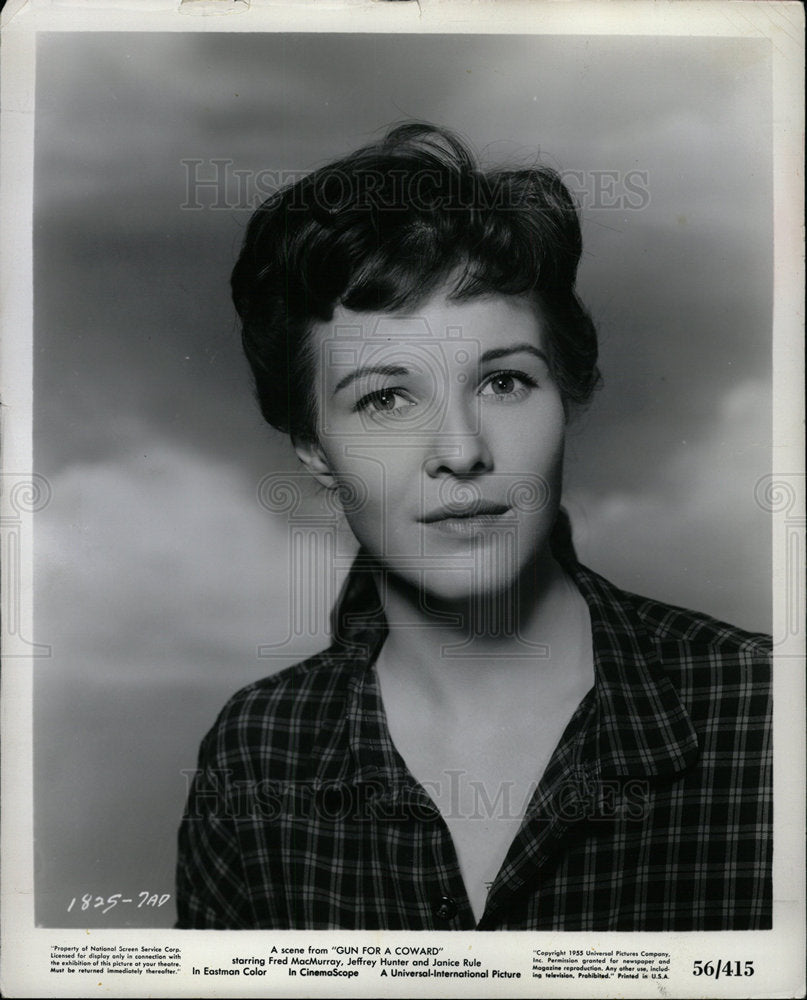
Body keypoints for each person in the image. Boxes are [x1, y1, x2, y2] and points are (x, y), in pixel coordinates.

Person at [175, 123, 772, 931]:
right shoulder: (255, 752)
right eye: (384, 398)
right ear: (314, 447)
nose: (459, 451)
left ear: (568, 392)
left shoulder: (767, 712)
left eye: (502, 382)